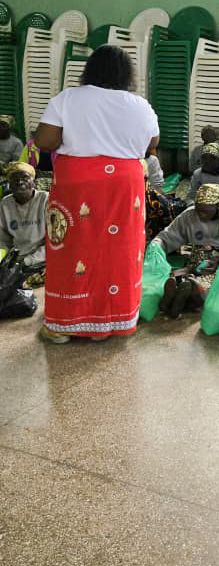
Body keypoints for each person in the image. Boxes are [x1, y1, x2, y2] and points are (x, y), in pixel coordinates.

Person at [34, 45, 159, 343]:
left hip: (79, 184)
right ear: (127, 74)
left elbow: (46, 140)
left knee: (74, 249)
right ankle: (114, 320)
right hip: (124, 186)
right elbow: (151, 144)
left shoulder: (67, 98)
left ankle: (64, 325)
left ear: (90, 69)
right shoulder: (140, 105)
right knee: (119, 251)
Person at [154, 183, 219, 317]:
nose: (201, 215)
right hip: (194, 263)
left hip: (218, 266)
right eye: (198, 210)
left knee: (214, 286)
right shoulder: (189, 215)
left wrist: (218, 262)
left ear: (218, 206)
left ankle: (179, 298)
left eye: (206, 211)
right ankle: (183, 293)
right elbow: (170, 235)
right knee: (176, 276)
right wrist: (156, 245)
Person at [0, 162, 47, 288]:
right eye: (15, 179)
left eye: (25, 178)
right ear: (9, 184)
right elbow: (3, 240)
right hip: (16, 262)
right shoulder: (5, 203)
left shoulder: (45, 199)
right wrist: (5, 261)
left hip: (42, 261)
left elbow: (54, 243)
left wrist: (27, 261)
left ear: (34, 181)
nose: (20, 182)